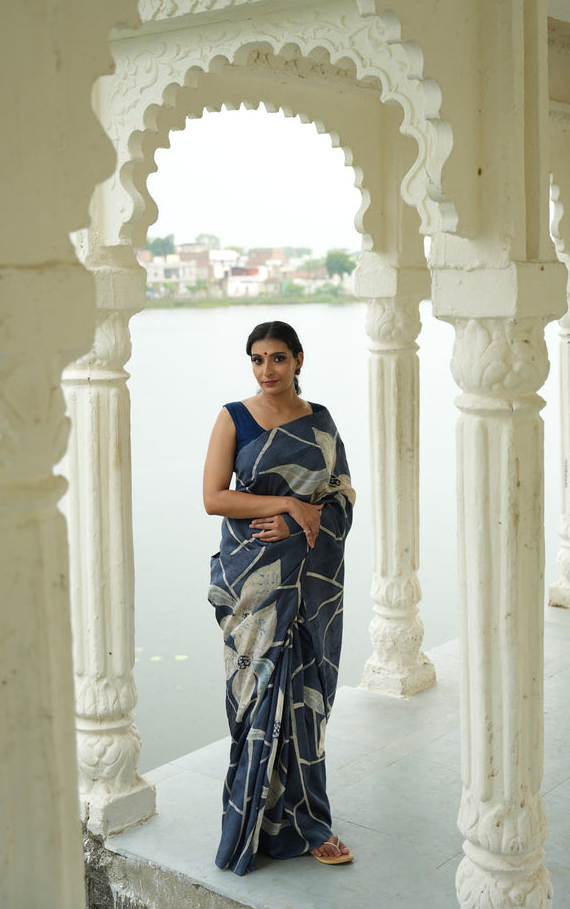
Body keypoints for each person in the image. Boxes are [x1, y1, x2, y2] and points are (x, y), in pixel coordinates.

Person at [203, 320, 356, 875]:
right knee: (255, 700)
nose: (267, 370)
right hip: (254, 584)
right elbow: (214, 498)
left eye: (277, 359)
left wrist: (306, 520)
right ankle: (251, 822)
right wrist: (292, 508)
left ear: (298, 360)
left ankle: (312, 823)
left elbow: (341, 492)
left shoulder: (320, 421)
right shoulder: (234, 417)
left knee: (305, 705)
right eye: (257, 359)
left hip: (312, 581)